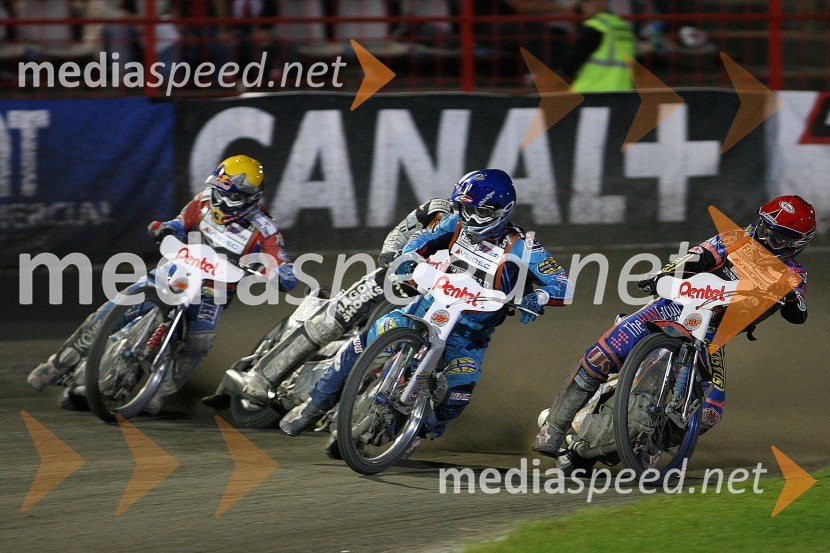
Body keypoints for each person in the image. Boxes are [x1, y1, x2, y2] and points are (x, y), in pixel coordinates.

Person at [278, 168, 573, 446]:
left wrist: (540, 298)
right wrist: (407, 257)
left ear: (501, 211)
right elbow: (421, 238)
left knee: (456, 396)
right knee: (365, 340)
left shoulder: (524, 246)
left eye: (480, 212)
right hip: (424, 309)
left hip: (468, 336)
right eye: (466, 209)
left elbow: (562, 283)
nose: (470, 218)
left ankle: (418, 430)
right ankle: (313, 405)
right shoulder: (454, 221)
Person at [533, 195, 815, 466]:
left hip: (712, 334)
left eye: (776, 237)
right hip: (675, 305)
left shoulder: (793, 274)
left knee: (709, 412)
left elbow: (798, 314)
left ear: (795, 245)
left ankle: (652, 444)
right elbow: (696, 257)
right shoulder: (736, 239)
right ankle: (554, 427)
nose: (764, 238)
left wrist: (789, 296)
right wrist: (664, 274)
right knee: (601, 354)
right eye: (764, 227)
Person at [27, 154, 298, 414]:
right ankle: (57, 366)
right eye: (218, 190)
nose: (220, 199)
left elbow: (282, 262)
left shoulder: (265, 230)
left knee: (198, 341)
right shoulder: (203, 202)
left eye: (229, 195)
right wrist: (165, 228)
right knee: (110, 311)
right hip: (174, 270)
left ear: (248, 198)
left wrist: (281, 274)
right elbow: (180, 224)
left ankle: (159, 392)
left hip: (211, 293)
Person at [206, 196, 454, 408]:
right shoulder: (438, 209)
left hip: (436, 303)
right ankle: (259, 379)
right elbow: (399, 233)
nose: (476, 216)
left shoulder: (492, 242)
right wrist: (392, 256)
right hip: (393, 282)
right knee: (332, 321)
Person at [560, 0, 636, 92]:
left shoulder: (598, 25)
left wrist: (564, 73)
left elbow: (574, 58)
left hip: (592, 91)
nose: (583, 7)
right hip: (622, 91)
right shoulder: (622, 26)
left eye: (585, 2)